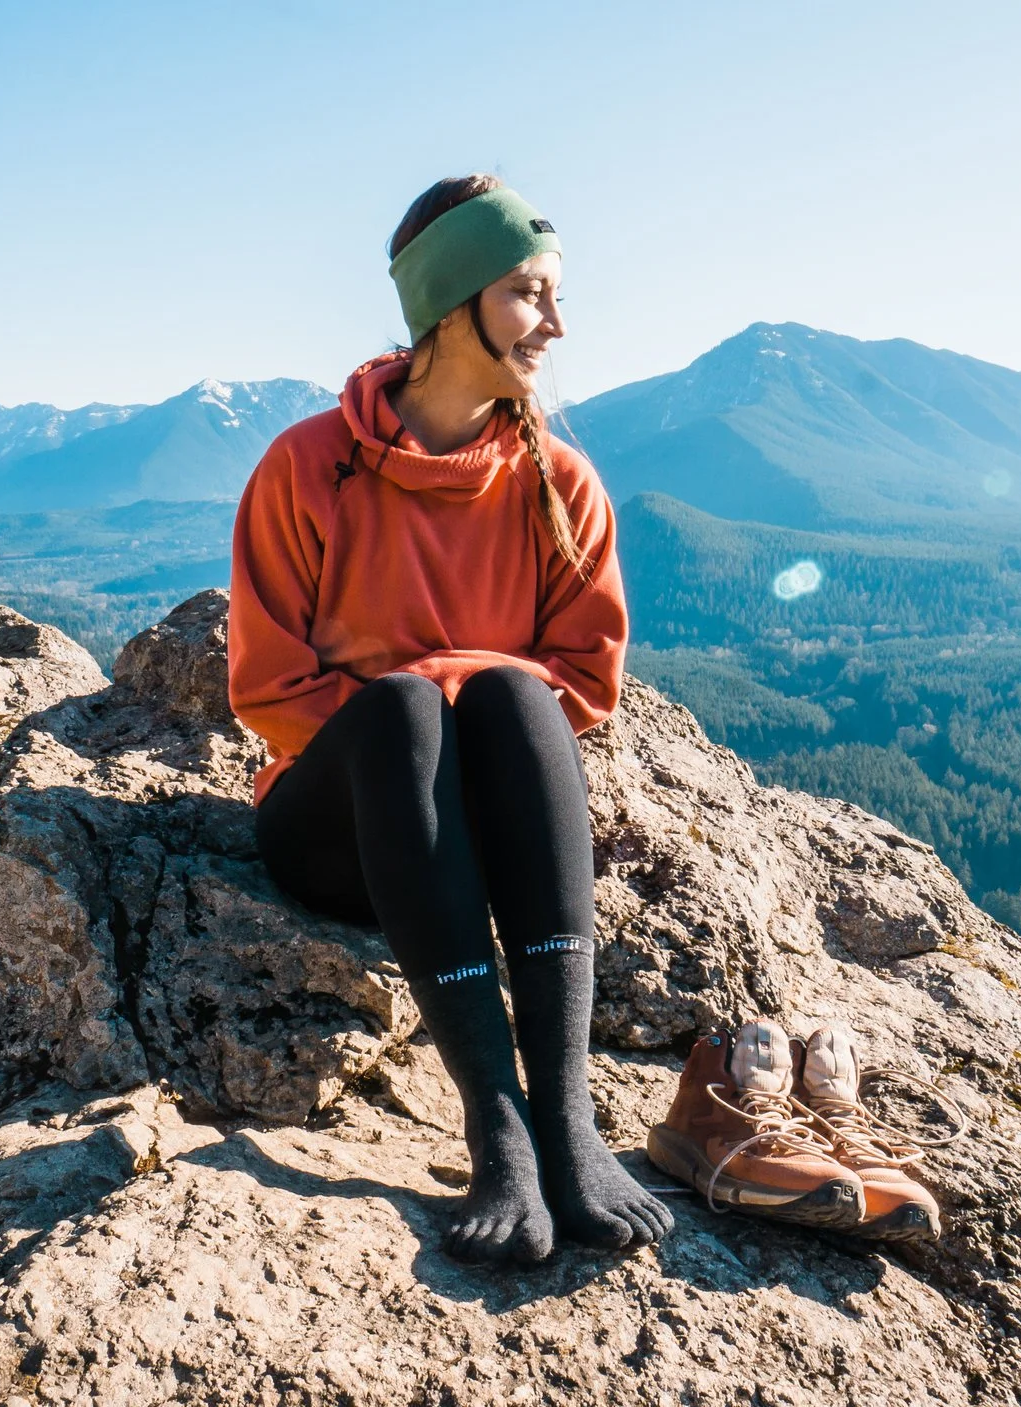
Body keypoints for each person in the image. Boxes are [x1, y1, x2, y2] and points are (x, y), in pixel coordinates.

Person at [225, 175, 674, 1264]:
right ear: (449, 301)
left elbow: (581, 683)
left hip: (490, 824)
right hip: (346, 830)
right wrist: (430, 689)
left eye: (554, 296)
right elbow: (270, 693)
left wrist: (467, 678)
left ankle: (566, 1126)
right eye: (528, 294)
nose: (555, 325)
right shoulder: (307, 469)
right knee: (400, 710)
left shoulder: (556, 483)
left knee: (513, 694)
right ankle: (496, 1130)